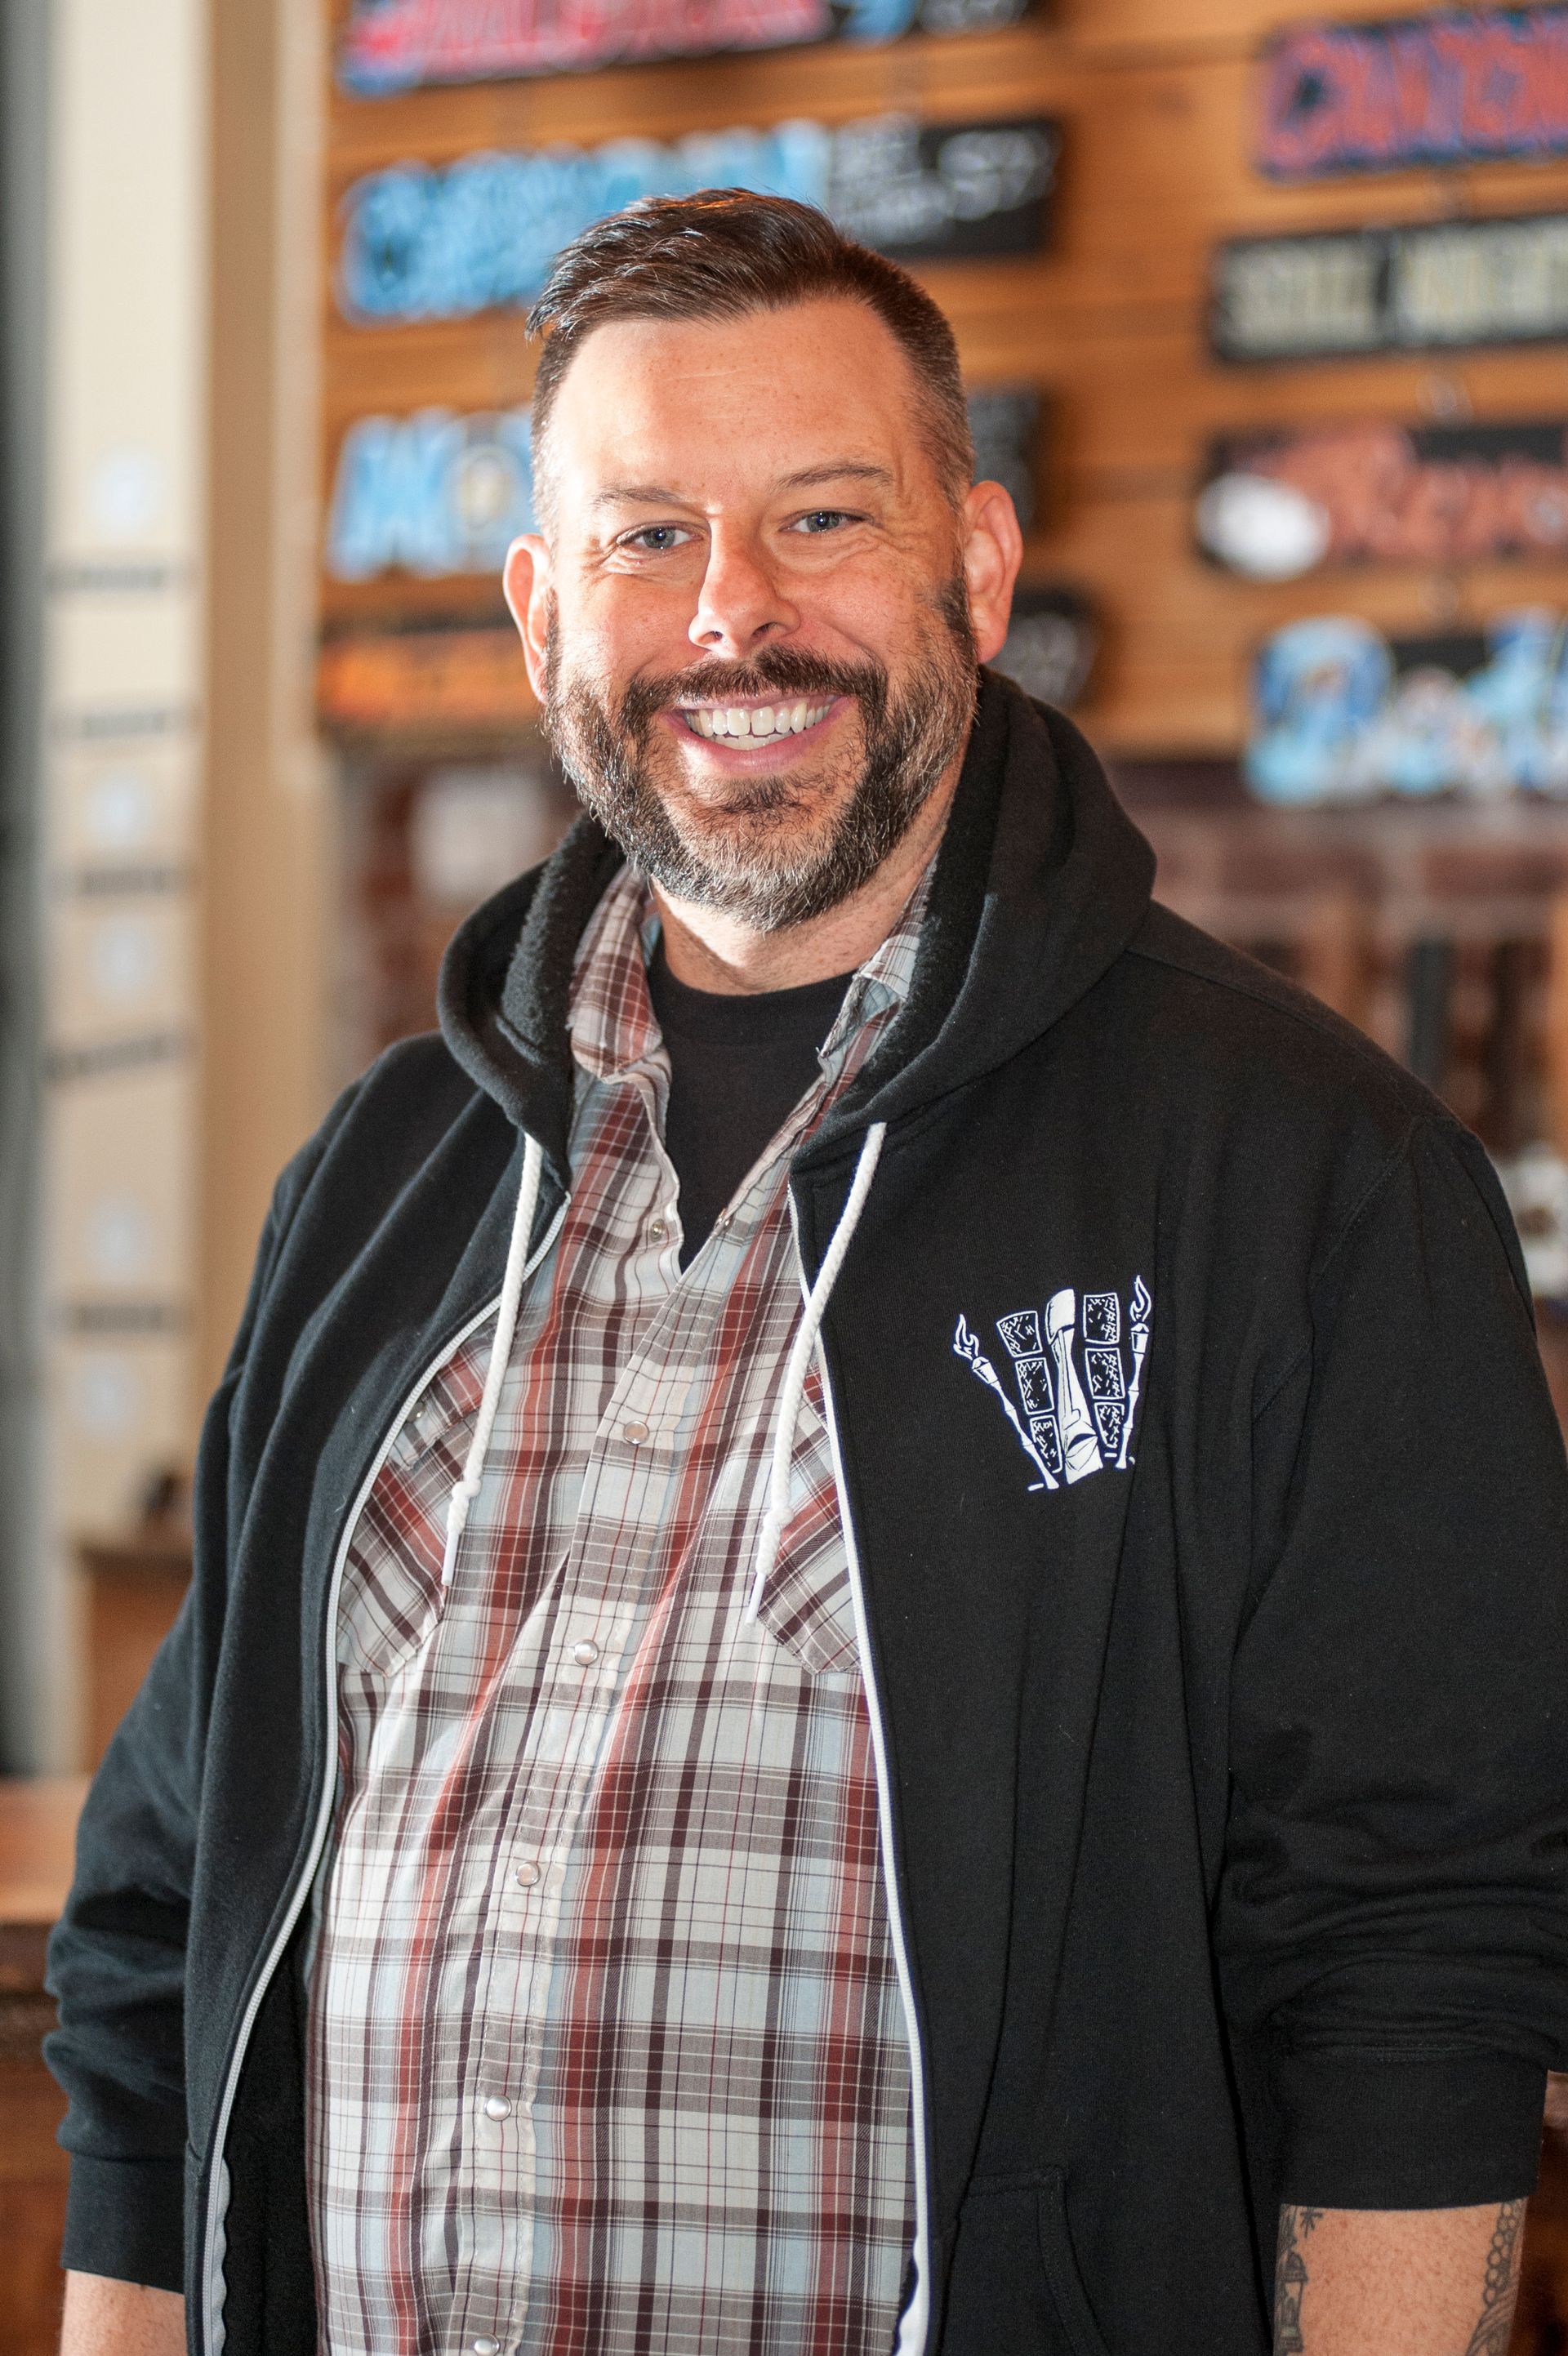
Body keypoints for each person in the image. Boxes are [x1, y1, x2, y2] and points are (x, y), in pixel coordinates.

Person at [47, 191, 1568, 2356]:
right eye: (647, 535)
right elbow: (160, 1927)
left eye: (823, 518)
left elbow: (1422, 1951)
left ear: (978, 562)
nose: (732, 617)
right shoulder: (385, 1176)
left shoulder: (1306, 1177)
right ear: (539, 604)